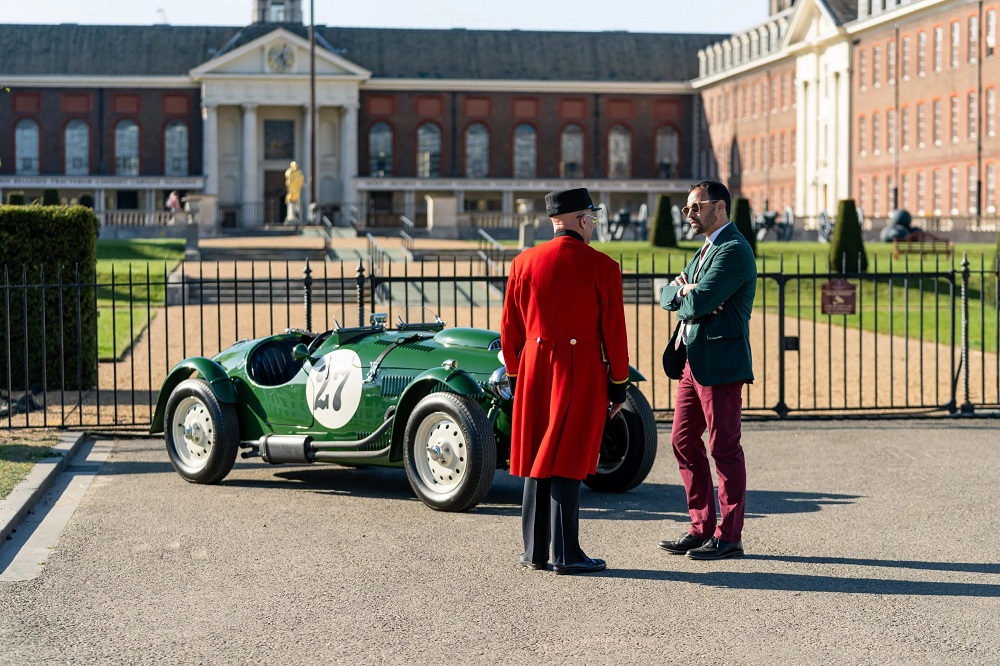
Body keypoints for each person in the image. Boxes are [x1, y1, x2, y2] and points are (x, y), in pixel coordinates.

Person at [501, 187, 630, 575]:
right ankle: (567, 554)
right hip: (579, 368)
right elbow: (615, 335)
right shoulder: (602, 266)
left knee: (540, 453)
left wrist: (515, 374)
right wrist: (618, 383)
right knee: (568, 456)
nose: (593, 225)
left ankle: (535, 550)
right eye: (591, 218)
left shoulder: (523, 262)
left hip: (534, 367)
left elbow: (510, 329)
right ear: (581, 219)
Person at [658, 180, 756, 560]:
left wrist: (689, 293)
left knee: (724, 448)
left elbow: (700, 300)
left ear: (719, 207)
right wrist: (684, 291)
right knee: (681, 441)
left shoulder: (733, 250)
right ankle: (700, 528)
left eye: (695, 207)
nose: (689, 215)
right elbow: (670, 294)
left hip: (721, 363)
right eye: (686, 209)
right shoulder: (705, 249)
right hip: (692, 361)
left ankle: (729, 535)